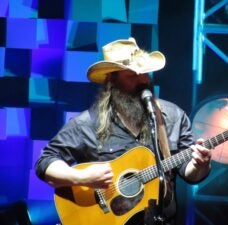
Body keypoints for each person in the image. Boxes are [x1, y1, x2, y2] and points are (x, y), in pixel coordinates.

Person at [35, 37, 212, 225]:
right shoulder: (87, 124)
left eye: (145, 73)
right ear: (112, 80)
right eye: (133, 75)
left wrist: (200, 165)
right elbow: (45, 163)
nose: (143, 80)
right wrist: (81, 177)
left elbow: (190, 174)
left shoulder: (174, 117)